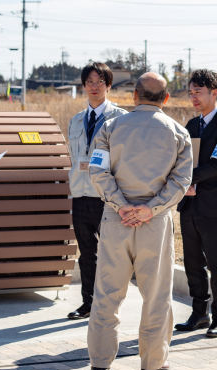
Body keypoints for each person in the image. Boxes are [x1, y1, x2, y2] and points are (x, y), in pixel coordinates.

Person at [87, 72, 193, 370]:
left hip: (115, 221)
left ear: (135, 95)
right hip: (155, 225)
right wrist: (150, 209)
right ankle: (152, 362)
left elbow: (97, 170)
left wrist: (121, 205)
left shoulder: (111, 126)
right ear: (166, 99)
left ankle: (100, 361)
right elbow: (181, 180)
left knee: (107, 293)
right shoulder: (178, 132)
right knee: (157, 294)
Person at [175, 69, 217, 338]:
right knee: (192, 262)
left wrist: (183, 177)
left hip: (211, 206)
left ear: (215, 92)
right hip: (188, 203)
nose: (193, 97)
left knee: (215, 262)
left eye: (198, 92)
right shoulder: (190, 126)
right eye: (191, 92)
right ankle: (200, 313)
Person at [66, 62, 128, 320]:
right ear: (83, 86)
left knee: (112, 253)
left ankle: (110, 304)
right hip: (80, 195)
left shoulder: (121, 118)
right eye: (89, 82)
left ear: (108, 85)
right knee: (86, 253)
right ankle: (88, 303)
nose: (94, 86)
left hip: (106, 197)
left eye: (99, 81)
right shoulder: (76, 120)